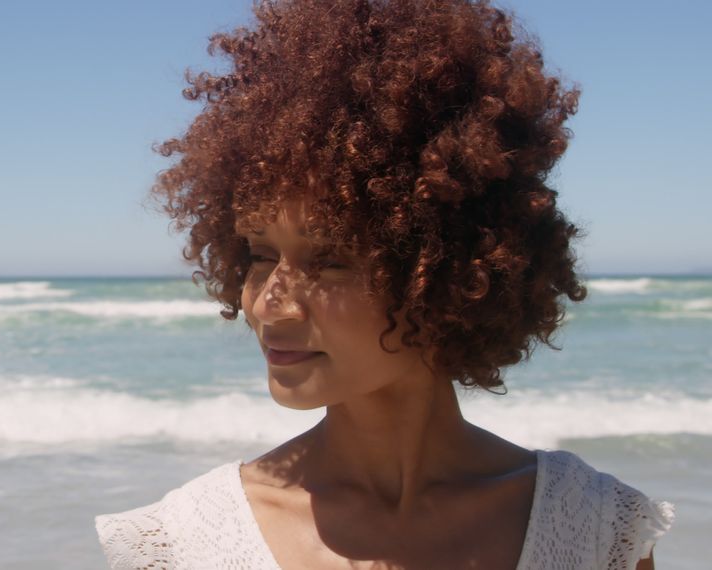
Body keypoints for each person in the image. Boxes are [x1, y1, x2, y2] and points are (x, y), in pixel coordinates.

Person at [95, 0, 675, 568]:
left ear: (448, 268)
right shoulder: (181, 545)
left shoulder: (595, 531)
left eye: (330, 261)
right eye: (260, 256)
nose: (270, 304)